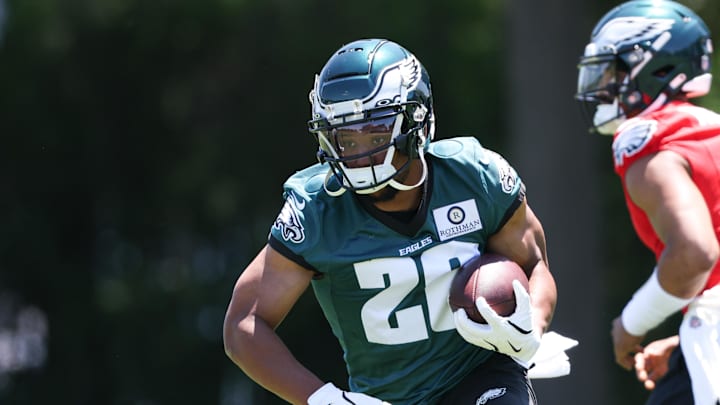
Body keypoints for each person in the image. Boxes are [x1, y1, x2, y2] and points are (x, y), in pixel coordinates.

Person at [223, 38, 560, 404]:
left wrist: (531, 327)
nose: (360, 153)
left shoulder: (474, 176)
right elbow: (244, 324)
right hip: (387, 398)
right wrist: (324, 399)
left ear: (417, 120)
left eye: (376, 133)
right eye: (345, 138)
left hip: (479, 372)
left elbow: (536, 264)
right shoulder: (319, 211)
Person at [575, 1, 720, 403]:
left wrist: (631, 323)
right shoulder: (708, 130)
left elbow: (695, 253)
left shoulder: (650, 142)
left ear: (654, 68)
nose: (604, 83)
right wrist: (688, 339)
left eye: (615, 69)